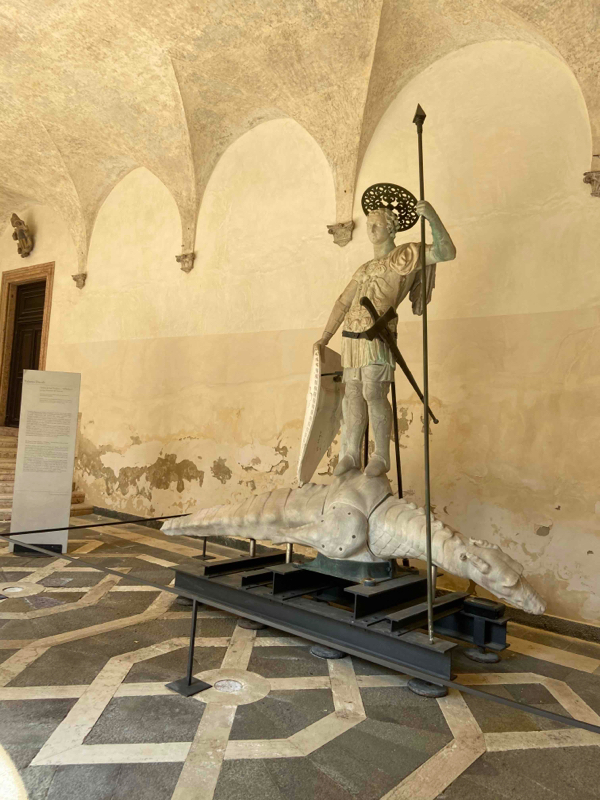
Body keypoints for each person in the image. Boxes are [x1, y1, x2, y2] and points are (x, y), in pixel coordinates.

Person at [314, 201, 456, 477]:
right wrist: (325, 337)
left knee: (373, 392)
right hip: (351, 338)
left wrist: (432, 217)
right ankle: (351, 454)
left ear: (391, 229)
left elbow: (446, 252)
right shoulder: (364, 268)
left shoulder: (405, 256)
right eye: (368, 225)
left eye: (377, 224)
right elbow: (343, 302)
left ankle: (380, 456)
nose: (370, 229)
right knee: (352, 394)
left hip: (378, 335)